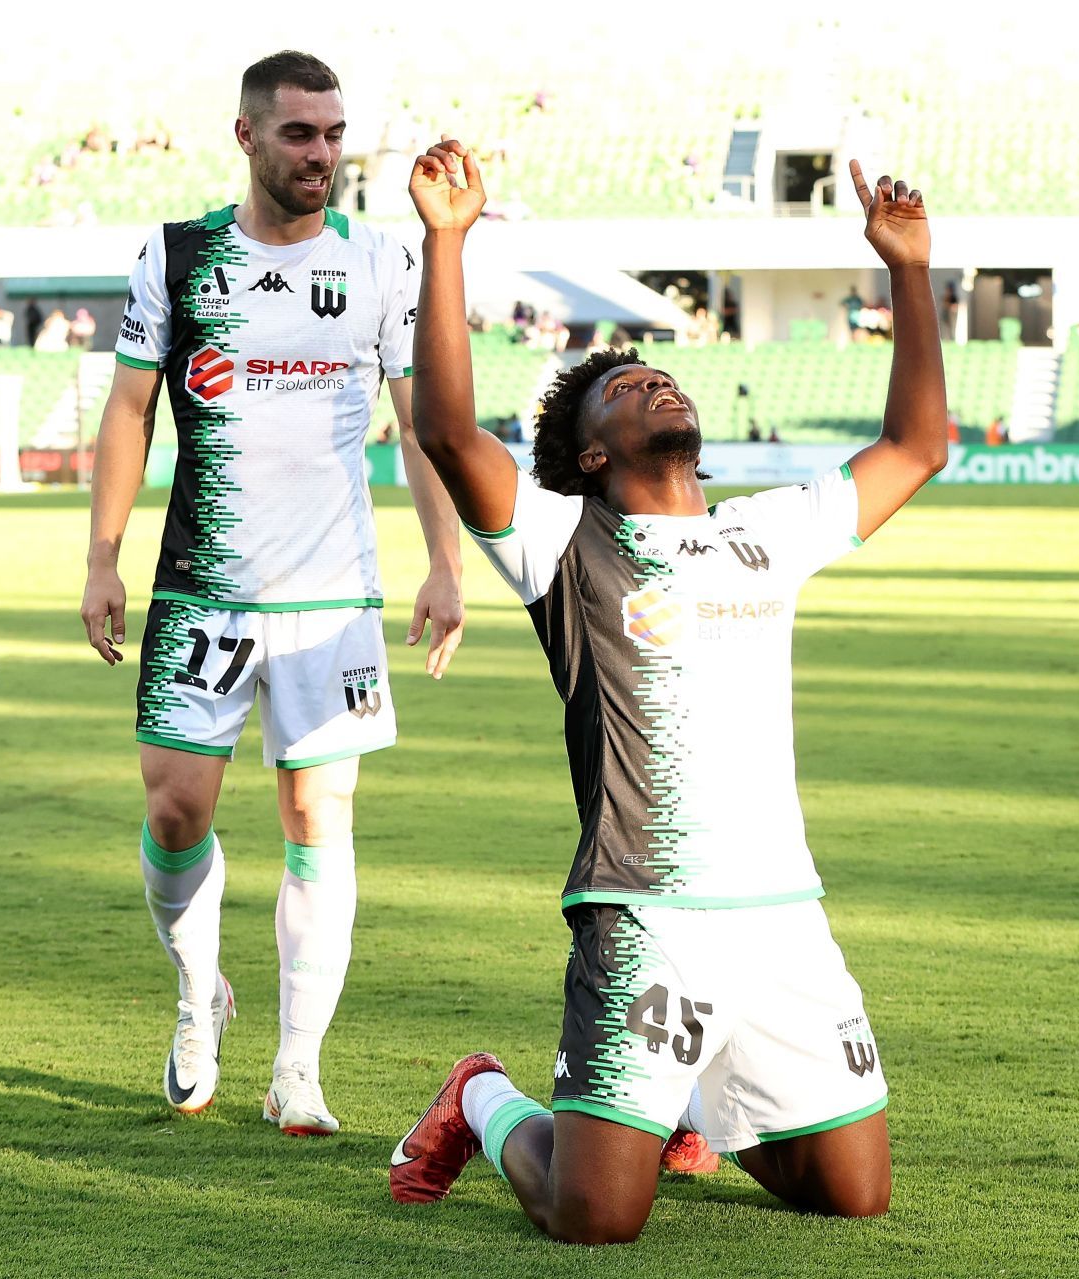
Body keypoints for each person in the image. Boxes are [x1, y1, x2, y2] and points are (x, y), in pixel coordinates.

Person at [390, 143, 946, 1242]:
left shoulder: (762, 535)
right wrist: (446, 239)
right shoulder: (565, 540)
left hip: (784, 909)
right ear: (590, 456)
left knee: (854, 1195)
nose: (650, 377)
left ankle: (685, 1093)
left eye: (655, 372)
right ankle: (482, 1097)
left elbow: (918, 444)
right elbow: (450, 434)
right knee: (597, 1218)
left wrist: (909, 269)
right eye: (619, 389)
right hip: (648, 913)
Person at [80, 50, 465, 1136]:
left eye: (335, 134)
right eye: (300, 134)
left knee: (317, 814)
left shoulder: (382, 261)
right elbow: (128, 409)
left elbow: (422, 423)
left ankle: (298, 1066)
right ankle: (199, 993)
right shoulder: (178, 255)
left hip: (332, 596)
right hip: (201, 588)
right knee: (174, 810)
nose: (323, 155)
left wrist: (443, 561)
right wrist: (103, 556)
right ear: (246, 136)